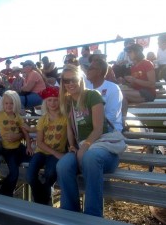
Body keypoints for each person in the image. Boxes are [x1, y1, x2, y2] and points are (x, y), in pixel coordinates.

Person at [56, 64, 119, 217]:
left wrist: (84, 148)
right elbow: (70, 128)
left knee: (90, 157)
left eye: (74, 79)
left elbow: (98, 129)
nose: (70, 83)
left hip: (103, 148)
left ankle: (93, 216)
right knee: (63, 165)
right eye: (66, 80)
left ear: (80, 79)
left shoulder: (92, 95)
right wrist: (72, 145)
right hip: (82, 151)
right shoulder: (67, 102)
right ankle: (70, 214)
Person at [26, 86, 67, 205]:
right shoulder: (43, 119)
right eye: (49, 100)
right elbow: (39, 142)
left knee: (50, 174)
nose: (52, 103)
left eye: (55, 100)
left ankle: (43, 198)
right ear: (45, 102)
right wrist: (55, 153)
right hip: (42, 151)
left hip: (57, 152)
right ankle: (42, 198)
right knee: (30, 176)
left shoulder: (65, 118)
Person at [0, 90, 33, 197]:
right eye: (6, 103)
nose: (9, 106)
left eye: (12, 103)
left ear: (16, 104)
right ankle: (5, 193)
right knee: (14, 173)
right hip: (7, 149)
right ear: (3, 104)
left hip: (18, 146)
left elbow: (26, 133)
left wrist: (28, 147)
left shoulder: (17, 116)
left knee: (34, 159)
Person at [119, 44, 156, 120]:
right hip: (138, 92)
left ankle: (122, 121)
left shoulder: (147, 63)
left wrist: (134, 80)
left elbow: (152, 84)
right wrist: (125, 82)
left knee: (121, 94)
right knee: (118, 92)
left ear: (137, 52)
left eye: (130, 52)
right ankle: (122, 121)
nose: (128, 54)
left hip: (148, 93)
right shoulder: (133, 67)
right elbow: (134, 85)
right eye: (127, 52)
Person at [86, 58, 123, 132]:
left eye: (90, 68)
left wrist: (92, 125)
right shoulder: (87, 88)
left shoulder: (113, 88)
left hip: (110, 130)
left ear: (99, 72)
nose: (87, 71)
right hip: (90, 128)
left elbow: (112, 116)